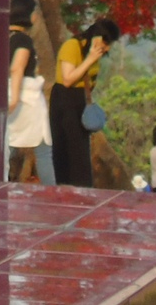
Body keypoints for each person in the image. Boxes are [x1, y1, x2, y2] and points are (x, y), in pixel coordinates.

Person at [50, 16, 118, 187]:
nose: (106, 48)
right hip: (64, 99)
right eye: (105, 43)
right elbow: (67, 79)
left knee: (81, 151)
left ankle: (82, 188)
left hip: (81, 99)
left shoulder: (96, 55)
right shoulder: (72, 46)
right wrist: (89, 60)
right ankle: (65, 187)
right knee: (65, 149)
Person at [6, 0, 52, 183]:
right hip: (26, 100)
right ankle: (52, 192)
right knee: (43, 150)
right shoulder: (24, 41)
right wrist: (15, 99)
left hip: (8, 92)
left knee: (9, 146)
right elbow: (18, 66)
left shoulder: (3, 37)